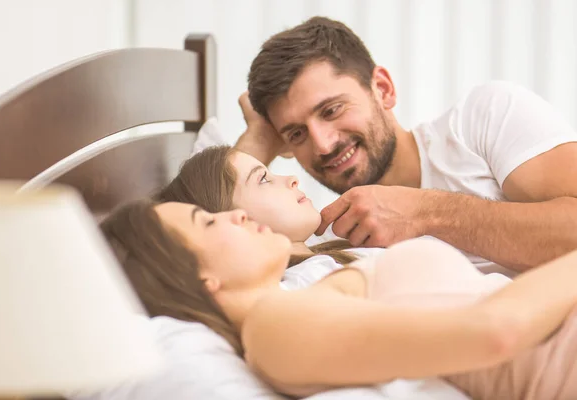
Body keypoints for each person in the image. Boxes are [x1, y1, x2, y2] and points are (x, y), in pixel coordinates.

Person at [100, 199, 577, 400]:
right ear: (199, 279)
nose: (237, 213)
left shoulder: (310, 291)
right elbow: (497, 331)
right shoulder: (275, 331)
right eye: (208, 220)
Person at [235, 16, 577, 275]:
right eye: (296, 133)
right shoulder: (331, 250)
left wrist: (426, 211)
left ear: (382, 89)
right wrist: (259, 139)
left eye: (331, 110)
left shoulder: (482, 118)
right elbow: (201, 250)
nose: (322, 145)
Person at [156, 145, 384, 289]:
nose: (292, 178)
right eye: (263, 179)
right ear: (235, 219)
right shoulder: (304, 285)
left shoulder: (332, 248)